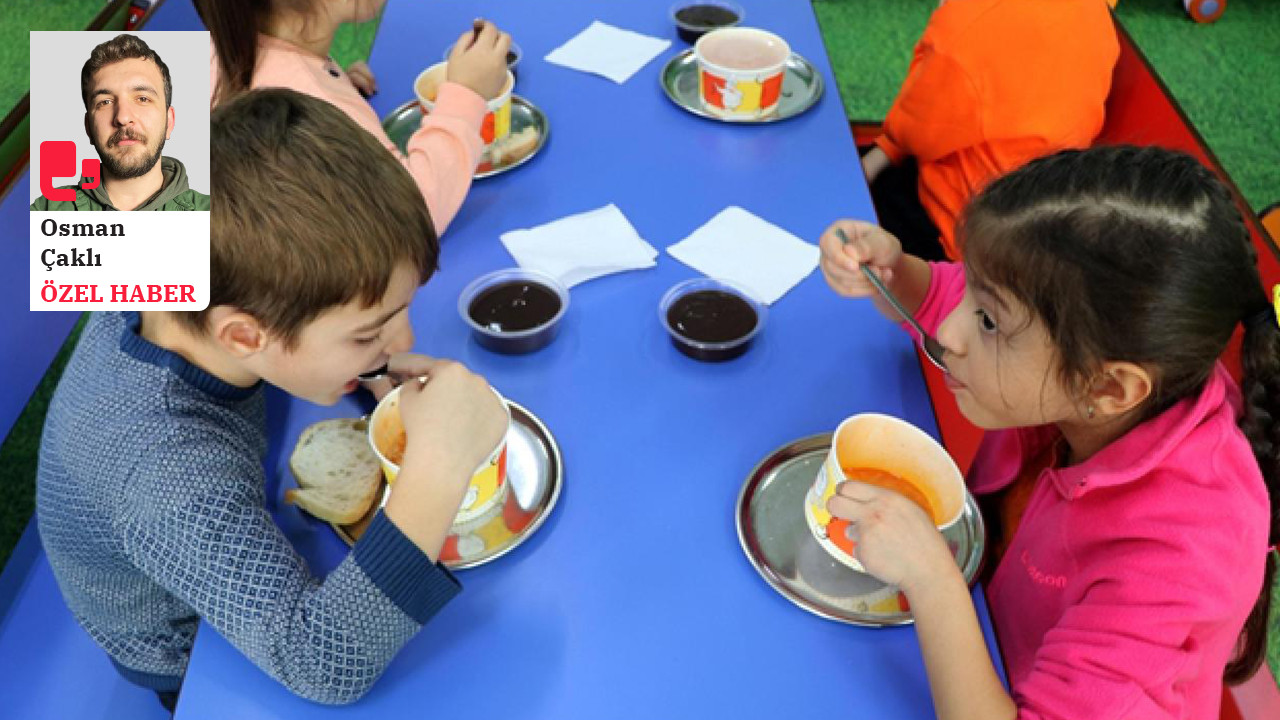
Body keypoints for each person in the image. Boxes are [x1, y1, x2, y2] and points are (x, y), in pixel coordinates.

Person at [36, 89, 508, 713]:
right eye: (370, 331)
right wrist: (440, 468)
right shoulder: (166, 474)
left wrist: (358, 360)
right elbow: (322, 664)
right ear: (244, 336)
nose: (407, 342)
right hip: (188, 651)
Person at [819, 145, 1277, 719]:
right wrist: (899, 274)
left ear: (1108, 388)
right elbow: (966, 298)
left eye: (986, 321)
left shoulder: (1176, 561)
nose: (951, 333)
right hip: (986, 629)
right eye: (974, 298)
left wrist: (933, 579)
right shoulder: (1114, 371)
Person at [196, 0, 509, 234]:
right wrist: (467, 95)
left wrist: (334, 79)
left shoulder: (215, 50)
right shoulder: (307, 105)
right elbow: (415, 218)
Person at [863, 0, 1118, 261]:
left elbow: (917, 133)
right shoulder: (1094, 10)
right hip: (1034, 230)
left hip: (956, 234)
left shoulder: (972, 23)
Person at [32, 33, 209, 211]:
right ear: (88, 128)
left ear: (169, 122)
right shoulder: (45, 211)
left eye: (142, 99)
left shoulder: (217, 217)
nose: (123, 118)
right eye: (105, 102)